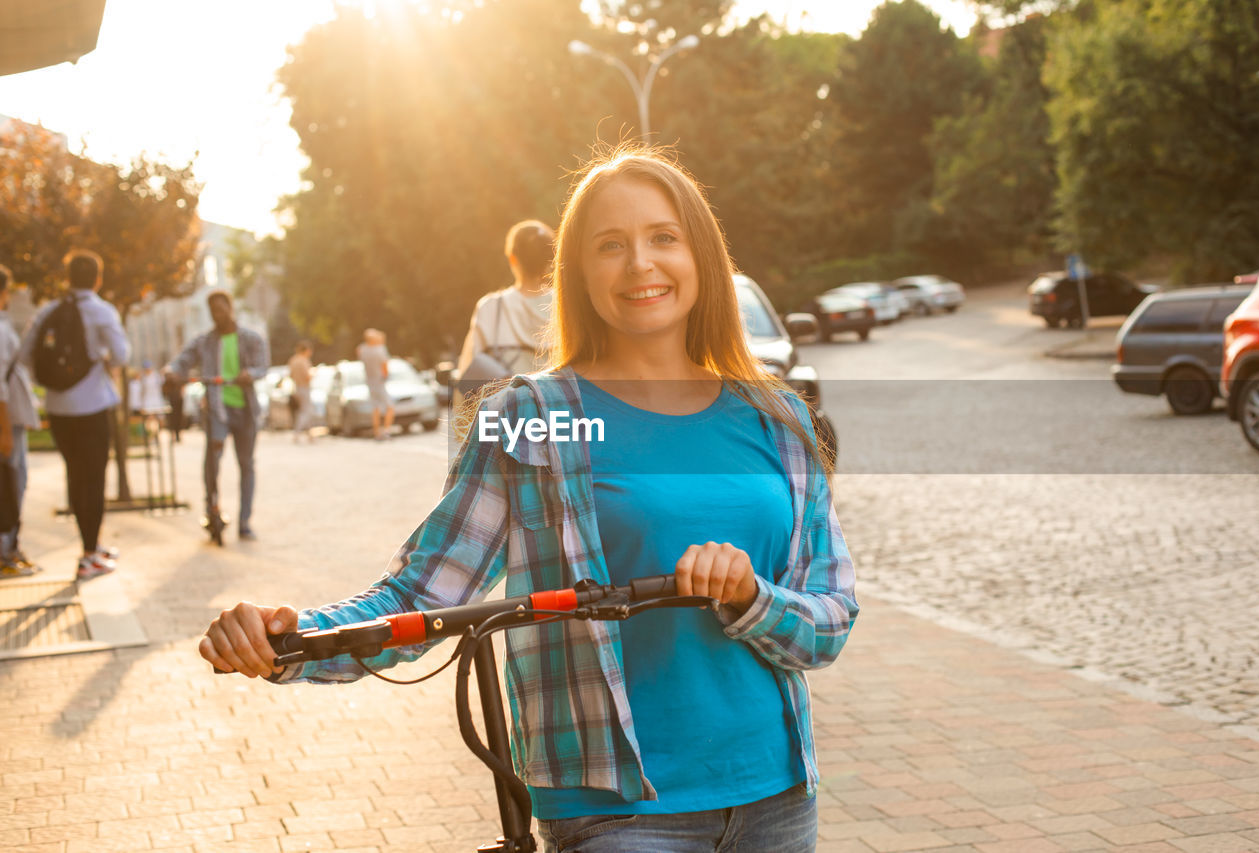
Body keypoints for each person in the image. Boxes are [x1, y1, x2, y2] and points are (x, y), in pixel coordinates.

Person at [199, 147, 857, 853]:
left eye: (663, 237)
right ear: (575, 273)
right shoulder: (531, 419)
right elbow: (423, 592)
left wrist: (750, 595)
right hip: (616, 810)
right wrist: (291, 640)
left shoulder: (776, 419)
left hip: (776, 796)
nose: (641, 264)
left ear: (702, 255)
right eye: (611, 245)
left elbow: (830, 616)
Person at [18, 249, 129, 580]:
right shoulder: (101, 311)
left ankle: (91, 545)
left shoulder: (49, 311)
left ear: (68, 277)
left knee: (75, 475)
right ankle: (89, 555)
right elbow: (122, 355)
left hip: (59, 409)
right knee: (93, 479)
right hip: (92, 405)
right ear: (98, 278)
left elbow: (26, 357)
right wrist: (99, 357)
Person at [164, 290, 268, 540]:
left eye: (221, 310)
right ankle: (212, 509)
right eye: (213, 312)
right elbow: (183, 360)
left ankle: (245, 522)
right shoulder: (204, 341)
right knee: (212, 461)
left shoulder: (251, 338)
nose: (217, 316)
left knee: (246, 465)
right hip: (217, 411)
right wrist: (171, 370)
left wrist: (249, 374)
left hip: (244, 410)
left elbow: (262, 366)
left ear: (230, 308)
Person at [453, 219, 555, 406]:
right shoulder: (567, 305)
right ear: (551, 258)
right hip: (561, 414)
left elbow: (468, 372)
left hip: (511, 419)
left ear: (513, 259)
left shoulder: (491, 307)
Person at [0, 264, 42, 578]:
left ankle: (10, 548)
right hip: (7, 422)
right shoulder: (1, 330)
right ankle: (6, 551)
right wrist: (4, 429)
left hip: (10, 420)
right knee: (12, 484)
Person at [355, 328, 392, 440]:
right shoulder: (380, 350)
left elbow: (359, 350)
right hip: (379, 382)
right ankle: (386, 431)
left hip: (370, 383)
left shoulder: (362, 350)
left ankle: (377, 433)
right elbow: (385, 368)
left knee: (375, 408)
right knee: (390, 407)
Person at [287, 340, 315, 443]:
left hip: (296, 388)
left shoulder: (293, 360)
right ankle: (297, 432)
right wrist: (313, 374)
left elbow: (290, 375)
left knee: (304, 410)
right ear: (307, 350)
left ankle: (310, 434)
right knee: (306, 411)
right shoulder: (304, 361)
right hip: (304, 387)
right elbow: (307, 376)